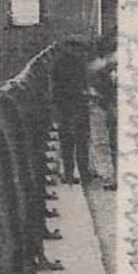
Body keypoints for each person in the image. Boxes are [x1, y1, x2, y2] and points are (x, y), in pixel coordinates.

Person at [51, 39, 93, 184]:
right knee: (81, 141)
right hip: (76, 105)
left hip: (64, 107)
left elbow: (54, 88)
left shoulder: (58, 63)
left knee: (67, 142)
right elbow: (77, 85)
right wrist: (85, 93)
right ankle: (83, 174)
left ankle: (69, 174)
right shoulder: (77, 63)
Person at [90, 37, 118, 190]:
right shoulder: (105, 66)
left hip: (103, 104)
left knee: (101, 141)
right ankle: (109, 175)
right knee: (108, 141)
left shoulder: (98, 66)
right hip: (108, 104)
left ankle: (108, 175)